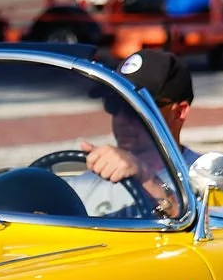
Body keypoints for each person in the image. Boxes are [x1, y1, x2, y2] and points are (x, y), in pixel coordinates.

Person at [76, 47, 194, 219]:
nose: (121, 118)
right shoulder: (84, 184)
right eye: (114, 104)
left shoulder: (214, 178)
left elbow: (219, 238)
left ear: (179, 112)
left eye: (136, 108)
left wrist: (147, 179)